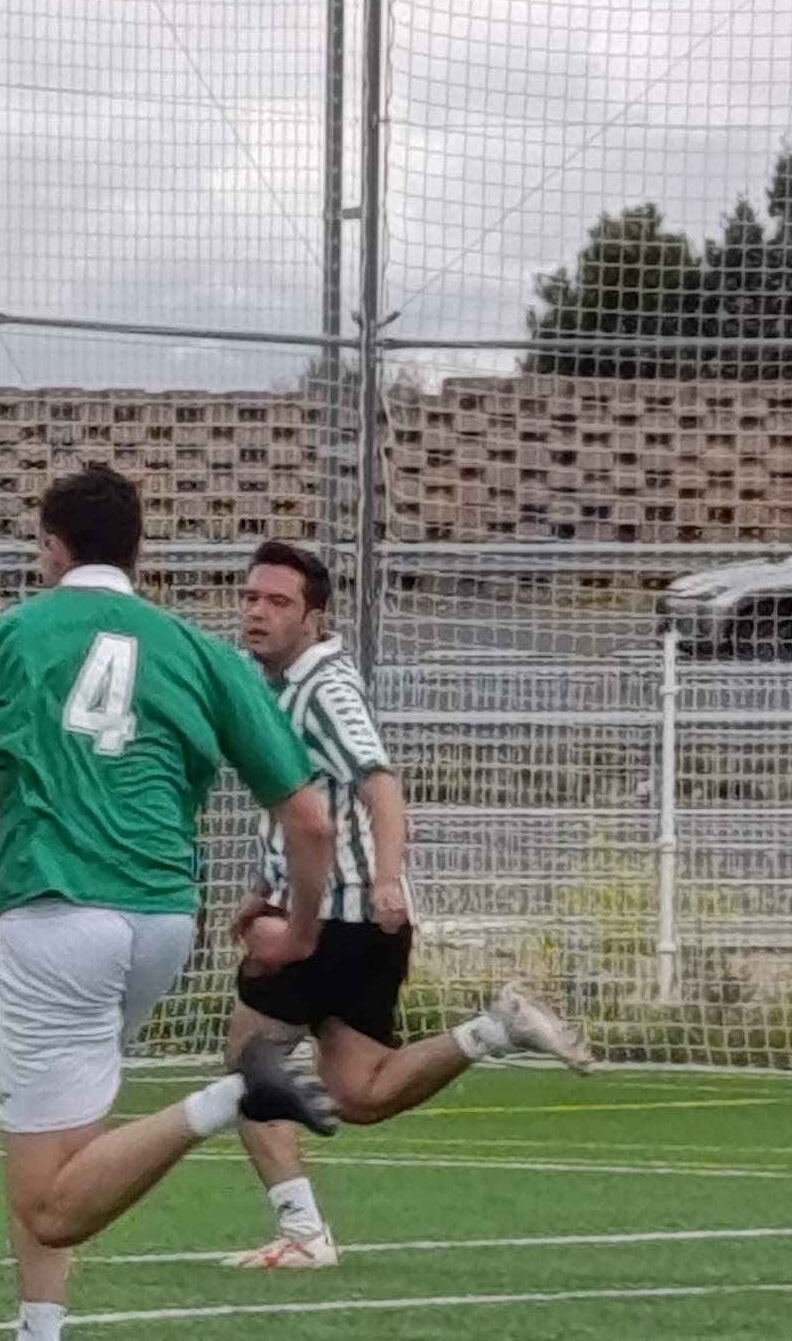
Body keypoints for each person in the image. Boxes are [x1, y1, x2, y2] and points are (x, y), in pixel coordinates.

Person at [0, 466, 343, 1341]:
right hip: (163, 921)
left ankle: (234, 1095)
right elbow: (310, 820)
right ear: (137, 553)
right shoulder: (200, 651)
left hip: (58, 913)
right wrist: (301, 931)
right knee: (59, 1147)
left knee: (51, 1201)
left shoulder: (6, 637)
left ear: (51, 548)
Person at [217, 539, 593, 1270]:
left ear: (314, 618)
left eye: (278, 602)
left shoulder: (324, 688)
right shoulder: (278, 682)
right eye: (251, 597)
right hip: (358, 924)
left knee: (247, 1063)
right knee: (360, 1092)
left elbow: (380, 784)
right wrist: (264, 886)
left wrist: (387, 877)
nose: (258, 612)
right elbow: (304, 802)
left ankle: (303, 1233)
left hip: (337, 915)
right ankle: (495, 1029)